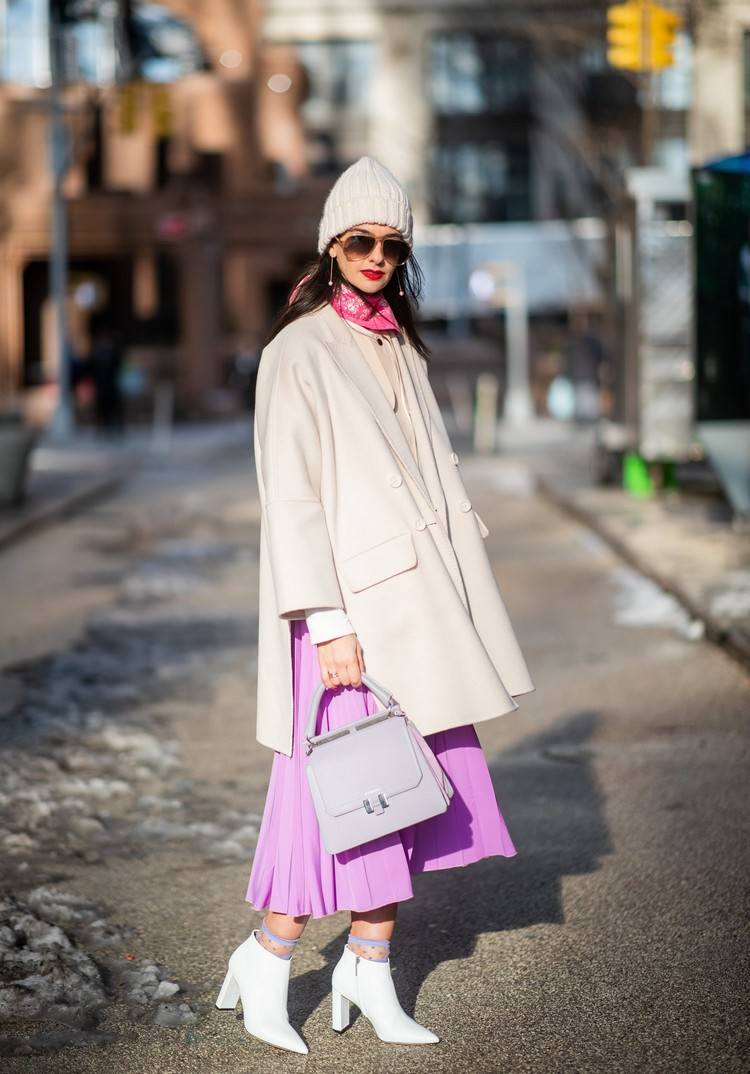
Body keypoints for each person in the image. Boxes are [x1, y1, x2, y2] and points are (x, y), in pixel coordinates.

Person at [216, 156, 535, 1053]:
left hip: (419, 609)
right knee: (341, 797)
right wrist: (329, 623)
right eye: (360, 240)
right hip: (348, 616)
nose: (376, 257)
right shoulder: (298, 350)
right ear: (330, 244)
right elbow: (293, 498)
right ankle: (268, 960)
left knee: (407, 794)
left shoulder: (396, 341)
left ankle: (368, 966)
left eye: (391, 245)